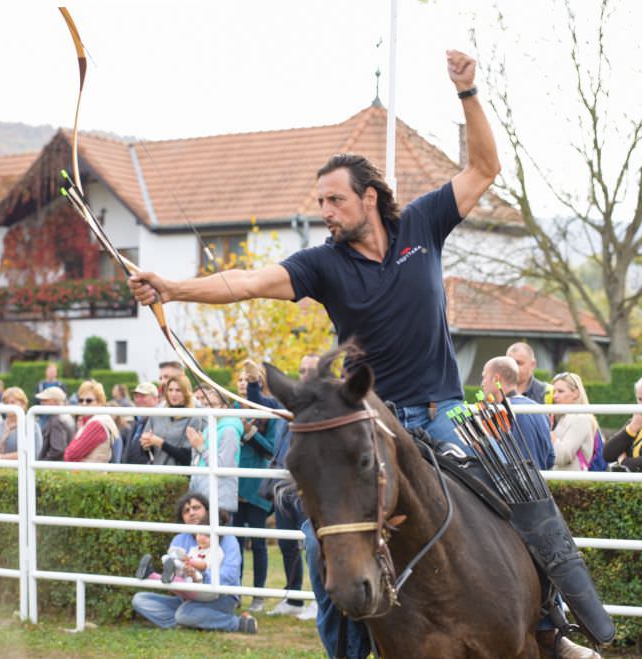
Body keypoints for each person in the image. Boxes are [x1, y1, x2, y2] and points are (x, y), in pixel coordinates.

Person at [128, 50, 601, 659]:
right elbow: (245, 280)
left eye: (334, 200)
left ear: (370, 197)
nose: (324, 212)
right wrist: (171, 287)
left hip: (444, 410)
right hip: (366, 421)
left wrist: (468, 92)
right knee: (323, 535)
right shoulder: (321, 264)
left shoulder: (423, 224)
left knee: (520, 491)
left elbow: (485, 167)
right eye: (320, 202)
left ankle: (547, 630)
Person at [131, 492, 256, 633]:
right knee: (139, 599)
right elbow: (174, 574)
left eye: (196, 508)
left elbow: (229, 576)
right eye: (186, 511)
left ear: (207, 511)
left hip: (221, 598)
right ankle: (187, 622)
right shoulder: (179, 540)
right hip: (187, 598)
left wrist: (200, 578)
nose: (191, 513)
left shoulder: (227, 538)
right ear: (182, 518)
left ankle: (236, 623)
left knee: (184, 613)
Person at [261, 354, 320, 619]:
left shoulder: (327, 405)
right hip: (283, 483)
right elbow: (262, 405)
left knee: (313, 543)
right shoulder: (290, 404)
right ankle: (293, 595)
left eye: (311, 370)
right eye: (301, 369)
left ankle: (318, 598)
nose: (305, 374)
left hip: (310, 486)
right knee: (287, 543)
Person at [233, 360, 279, 613]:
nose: (242, 384)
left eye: (248, 380)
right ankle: (235, 591)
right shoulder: (231, 408)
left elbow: (271, 449)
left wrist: (250, 431)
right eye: (240, 379)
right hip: (235, 482)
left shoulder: (269, 412)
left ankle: (259, 595)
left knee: (259, 543)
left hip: (258, 484)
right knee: (234, 541)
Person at [481, 356, 555, 470]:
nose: (482, 384)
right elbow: (550, 458)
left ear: (496, 379)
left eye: (484, 377)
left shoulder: (504, 412)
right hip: (540, 484)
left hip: (517, 485)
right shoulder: (538, 408)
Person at [186, 385, 241, 515]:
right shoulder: (209, 427)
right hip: (202, 496)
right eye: (205, 405)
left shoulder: (229, 430)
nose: (208, 409)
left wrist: (200, 446)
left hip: (219, 499)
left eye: (213, 404)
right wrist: (196, 445)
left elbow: (222, 467)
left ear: (225, 407)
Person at [139, 374, 203, 466]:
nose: (173, 394)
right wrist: (146, 445)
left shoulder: (194, 417)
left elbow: (188, 457)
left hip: (181, 476)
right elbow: (147, 452)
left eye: (178, 390)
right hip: (157, 473)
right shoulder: (157, 414)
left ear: (186, 392)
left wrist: (160, 443)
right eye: (170, 390)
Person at [551, 372, 599, 471]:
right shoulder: (565, 417)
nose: (555, 396)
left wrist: (549, 432)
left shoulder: (581, 418)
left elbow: (563, 456)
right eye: (554, 392)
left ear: (576, 393)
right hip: (564, 481)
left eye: (560, 391)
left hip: (571, 483)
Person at [64, 380, 119, 463]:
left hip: (91, 474)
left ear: (100, 402)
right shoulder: (97, 420)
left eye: (89, 401)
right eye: (81, 400)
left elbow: (70, 455)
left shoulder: (97, 424)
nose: (84, 403)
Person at [603, 376, 642, 472]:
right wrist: (632, 428)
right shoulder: (634, 423)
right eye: (640, 399)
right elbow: (607, 455)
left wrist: (623, 461)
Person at [0, 387, 42, 460]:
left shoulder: (32, 426)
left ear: (23, 404)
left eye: (12, 402)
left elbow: (32, 454)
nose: (8, 406)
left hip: (19, 470)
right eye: (6, 403)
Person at [122, 382, 160, 464]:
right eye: (136, 396)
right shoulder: (136, 421)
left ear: (155, 399)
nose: (138, 400)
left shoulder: (160, 422)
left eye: (143, 396)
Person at [36, 386, 76, 461]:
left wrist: (42, 463)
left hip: (54, 468)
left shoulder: (56, 420)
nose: (41, 403)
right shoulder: (67, 416)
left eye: (45, 400)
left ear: (54, 401)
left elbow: (58, 450)